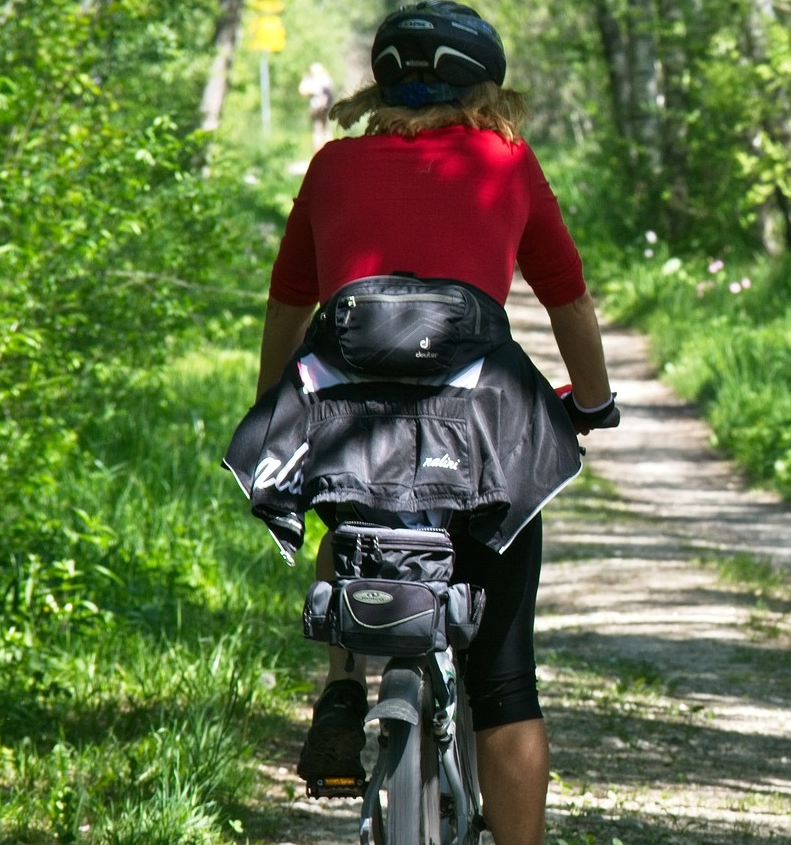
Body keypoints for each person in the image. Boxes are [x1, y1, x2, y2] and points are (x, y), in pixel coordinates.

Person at [243, 5, 617, 844]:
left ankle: (345, 671)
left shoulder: (333, 166)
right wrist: (589, 401)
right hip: (482, 438)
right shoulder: (506, 162)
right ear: (484, 87)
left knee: (347, 502)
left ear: (381, 84)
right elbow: (567, 298)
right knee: (506, 680)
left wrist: (273, 403)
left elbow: (288, 305)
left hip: (349, 427)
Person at [297, 62, 334, 151]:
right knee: (325, 130)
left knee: (319, 130)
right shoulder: (326, 78)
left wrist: (306, 79)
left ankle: (319, 152)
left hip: (317, 108)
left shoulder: (313, 80)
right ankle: (328, 151)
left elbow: (302, 90)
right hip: (324, 108)